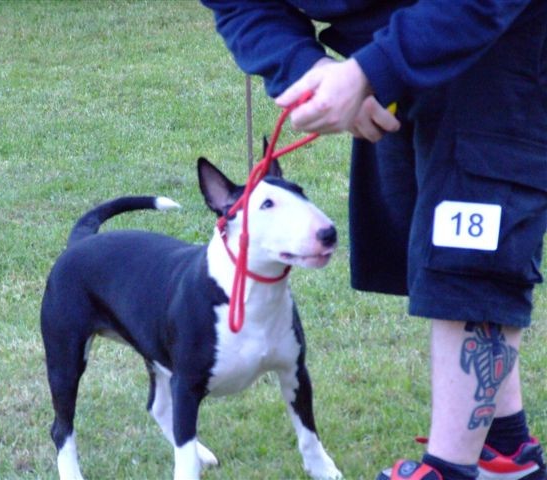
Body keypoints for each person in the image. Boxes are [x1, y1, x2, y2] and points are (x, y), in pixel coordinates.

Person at [200, 1, 547, 479]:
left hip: (496, 41)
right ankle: (505, 454)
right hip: (384, 53)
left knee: (469, 250)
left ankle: (451, 469)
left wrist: (373, 69)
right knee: (438, 248)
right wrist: (310, 68)